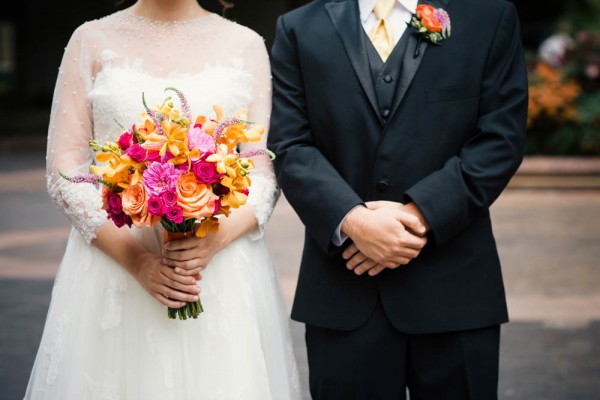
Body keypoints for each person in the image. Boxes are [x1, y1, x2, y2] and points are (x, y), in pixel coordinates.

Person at [25, 0, 301, 398]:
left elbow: (262, 173)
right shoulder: (90, 40)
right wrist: (137, 261)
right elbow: (65, 171)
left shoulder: (247, 44)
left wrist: (212, 241)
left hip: (218, 270)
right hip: (115, 266)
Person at [268, 0, 527, 398]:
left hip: (454, 290)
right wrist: (353, 220)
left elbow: (500, 139)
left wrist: (419, 214)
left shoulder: (488, 16)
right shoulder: (299, 28)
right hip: (344, 291)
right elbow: (289, 145)